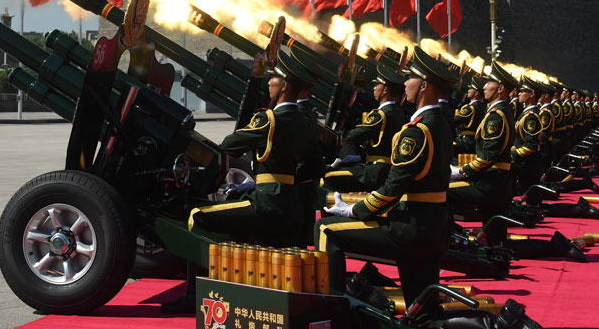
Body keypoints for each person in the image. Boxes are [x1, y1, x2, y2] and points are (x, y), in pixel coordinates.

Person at [318, 47, 457, 310]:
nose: (404, 84)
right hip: (434, 224)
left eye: (410, 79)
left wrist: (354, 211)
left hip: (412, 227)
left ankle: (332, 308)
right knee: (421, 308)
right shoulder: (440, 123)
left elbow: (393, 188)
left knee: (326, 229)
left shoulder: (417, 131)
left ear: (424, 85)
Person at [187, 50, 317, 247]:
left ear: (285, 86)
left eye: (273, 78)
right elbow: (315, 167)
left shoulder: (269, 120)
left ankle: (208, 275)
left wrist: (266, 183)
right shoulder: (305, 122)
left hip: (267, 202)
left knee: (196, 215)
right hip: (293, 205)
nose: (269, 82)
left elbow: (230, 145)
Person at [322, 62, 409, 192]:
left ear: (385, 90)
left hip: (374, 172)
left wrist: (345, 156)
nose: (374, 88)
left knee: (326, 176)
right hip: (385, 170)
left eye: (376, 85)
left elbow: (351, 137)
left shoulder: (381, 115)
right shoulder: (398, 112)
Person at [448, 61, 518, 220]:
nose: (484, 87)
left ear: (500, 89)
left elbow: (488, 156)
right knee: (496, 240)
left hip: (490, 183)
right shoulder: (500, 110)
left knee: (443, 192)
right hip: (496, 181)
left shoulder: (496, 115)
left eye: (488, 83)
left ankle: (449, 236)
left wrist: (461, 172)